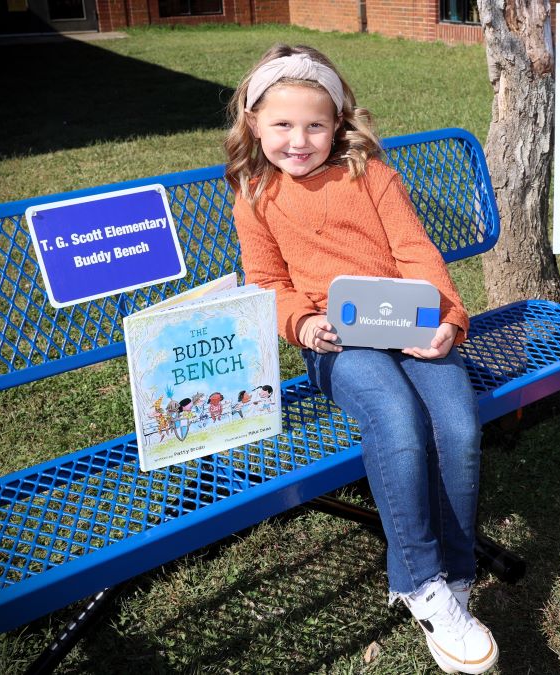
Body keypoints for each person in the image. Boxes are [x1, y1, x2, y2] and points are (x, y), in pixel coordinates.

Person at [225, 43, 497, 674]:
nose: (299, 140)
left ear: (339, 122)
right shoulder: (254, 193)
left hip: (408, 323)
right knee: (397, 423)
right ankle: (423, 580)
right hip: (336, 342)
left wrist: (448, 323)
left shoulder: (369, 173)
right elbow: (265, 282)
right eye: (282, 126)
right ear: (254, 124)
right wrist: (303, 322)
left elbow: (416, 252)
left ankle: (451, 578)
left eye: (315, 125)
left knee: (456, 426)